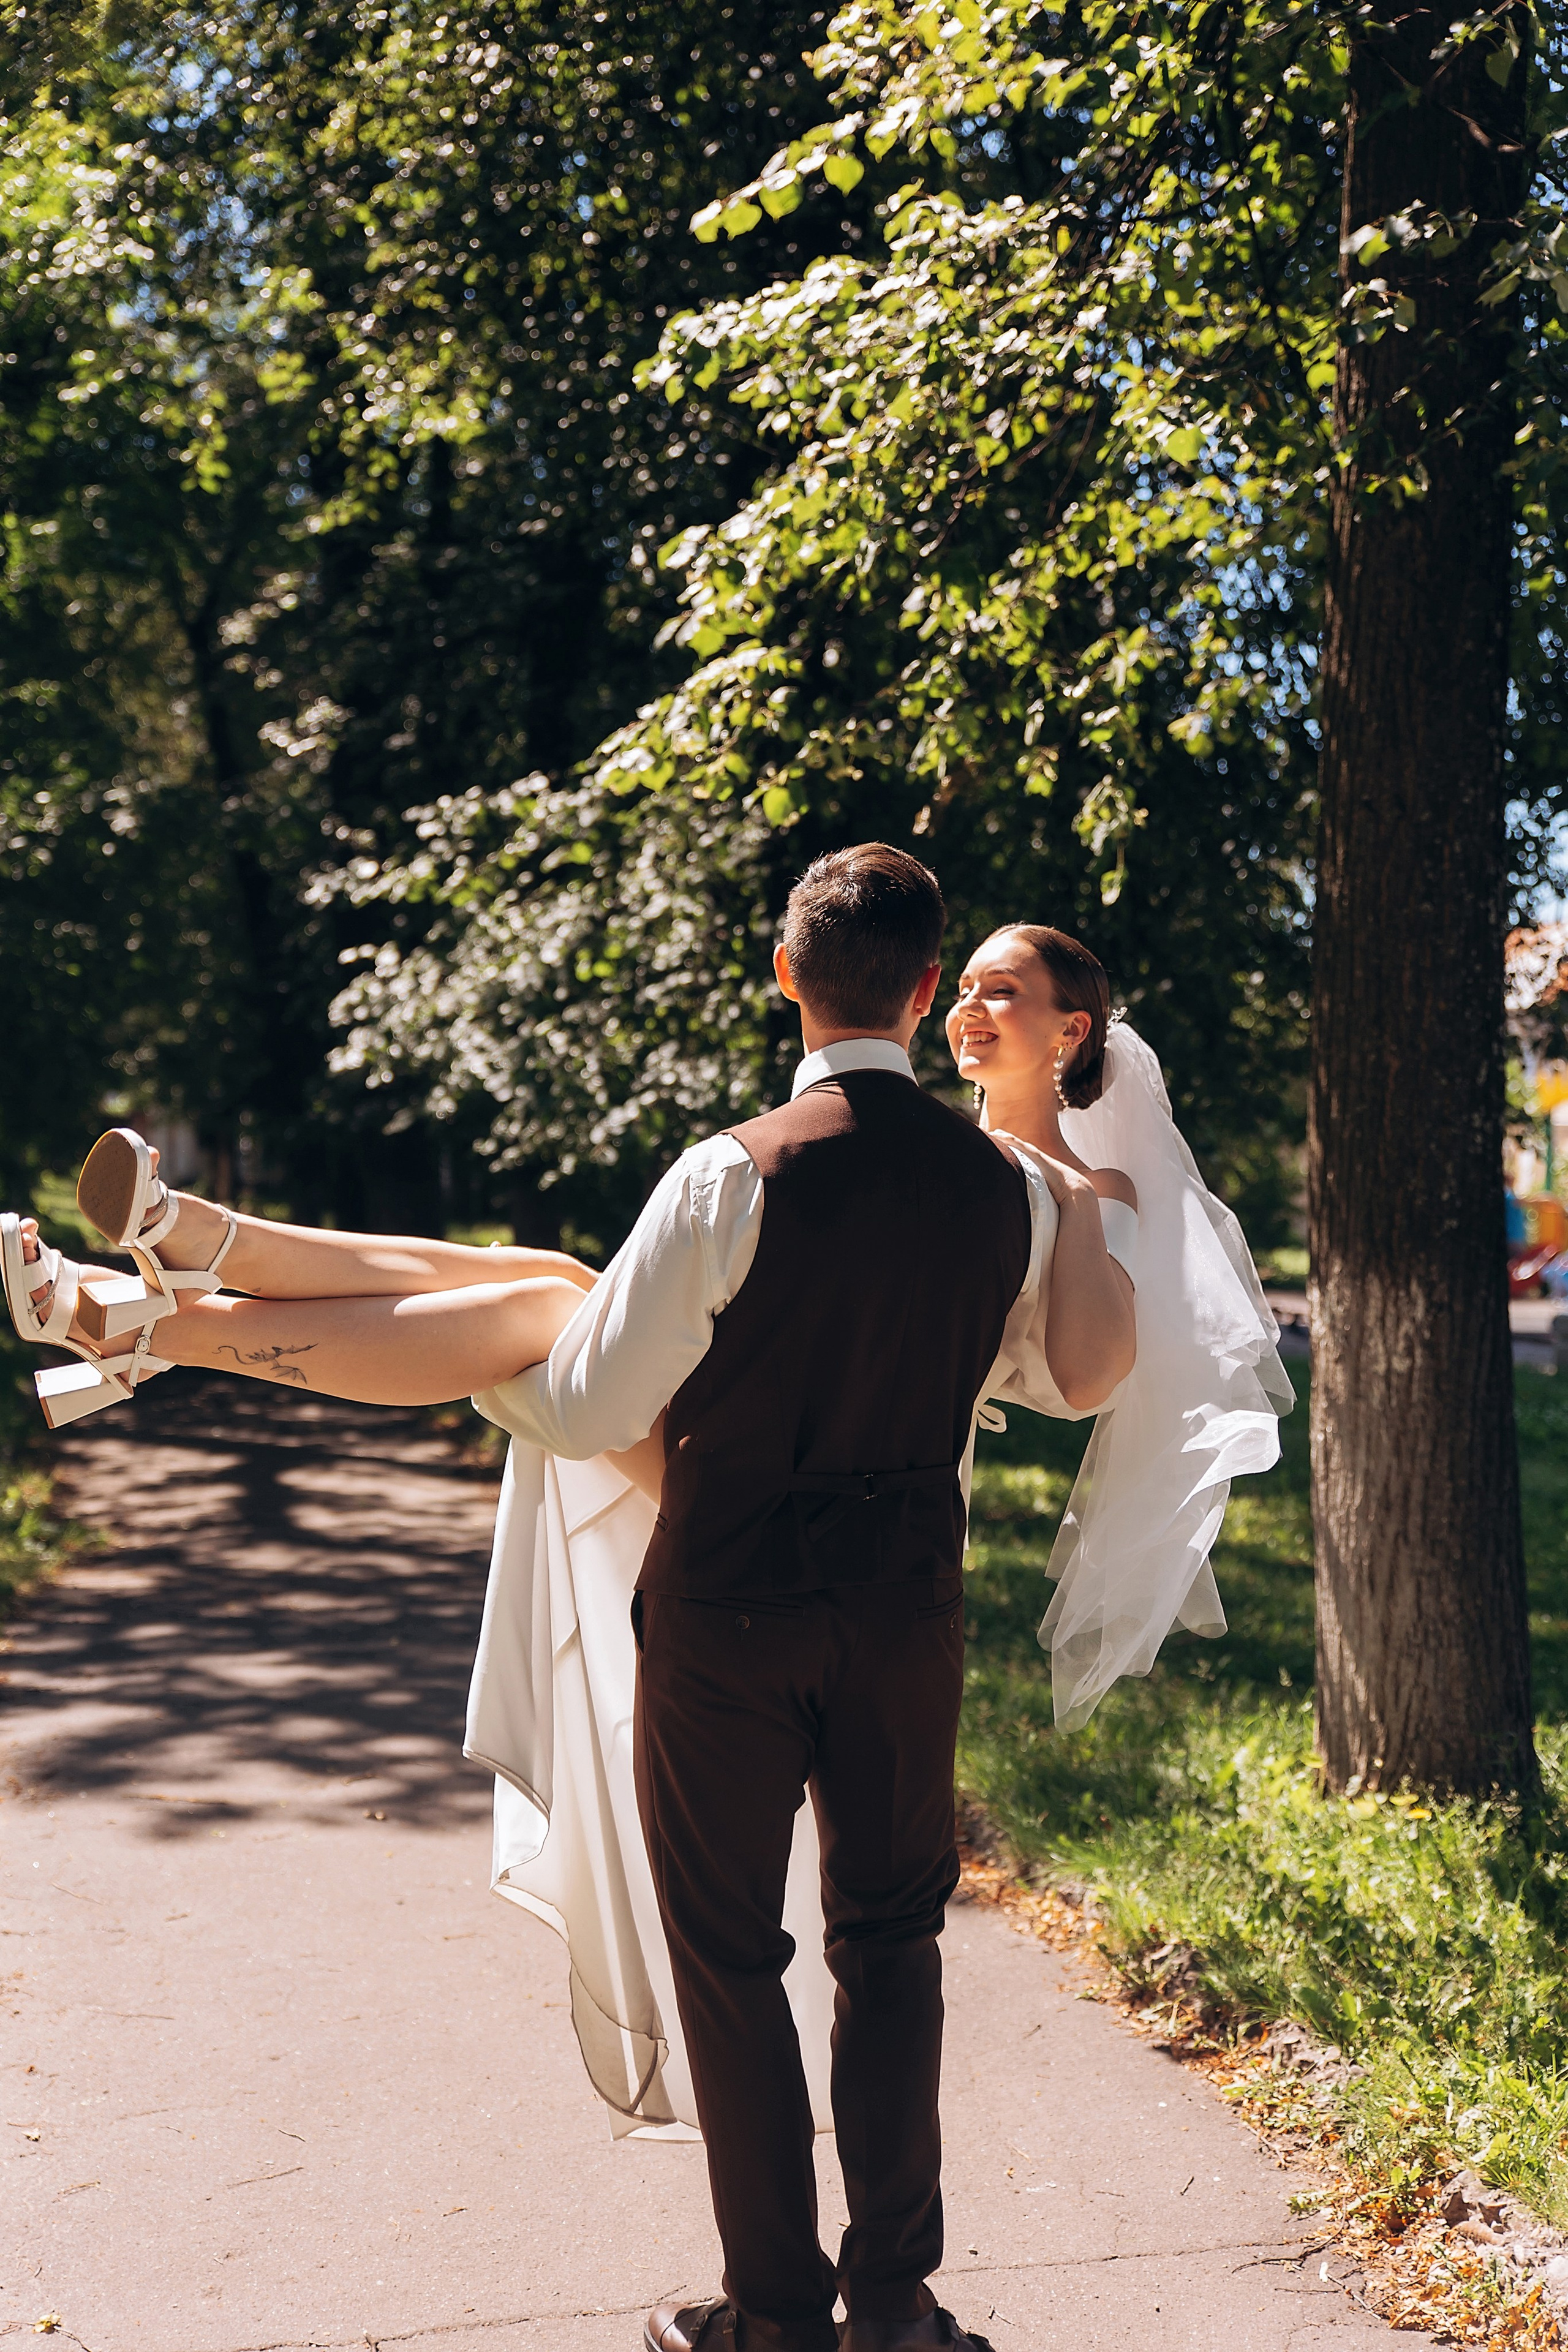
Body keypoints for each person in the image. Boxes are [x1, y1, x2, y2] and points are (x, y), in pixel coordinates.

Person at [2, 845, 1287, 2352]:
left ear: (784, 976)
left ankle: (774, 2319)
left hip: (729, 1600)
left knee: (731, 1957)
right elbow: (1070, 1381)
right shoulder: (1007, 1194)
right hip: (898, 1614)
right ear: (925, 987)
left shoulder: (730, 1171)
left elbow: (586, 1407)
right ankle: (893, 2311)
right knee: (892, 1947)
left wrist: (495, 1380)